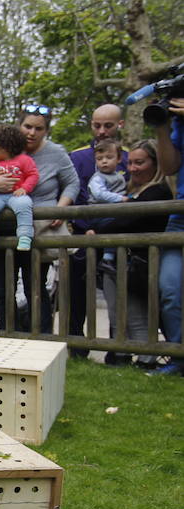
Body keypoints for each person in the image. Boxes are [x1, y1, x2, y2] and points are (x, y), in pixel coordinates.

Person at [0, 104, 78, 334]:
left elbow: (72, 183)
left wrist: (61, 209)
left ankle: (40, 338)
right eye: (28, 126)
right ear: (19, 126)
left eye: (38, 128)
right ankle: (4, 335)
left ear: (46, 131)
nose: (32, 132)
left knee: (36, 287)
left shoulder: (56, 153)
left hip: (38, 228)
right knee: (2, 289)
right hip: (3, 228)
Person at [88, 139, 171, 368]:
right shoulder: (125, 188)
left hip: (140, 263)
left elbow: (127, 221)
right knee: (116, 313)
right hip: (117, 261)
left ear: (156, 163)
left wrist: (100, 228)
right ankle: (121, 357)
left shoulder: (158, 191)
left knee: (136, 314)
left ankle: (146, 360)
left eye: (140, 162)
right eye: (131, 163)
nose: (133, 168)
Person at [68, 104, 128, 357]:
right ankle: (77, 343)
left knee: (118, 290)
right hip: (83, 233)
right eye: (97, 125)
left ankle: (118, 347)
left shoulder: (129, 157)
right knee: (77, 290)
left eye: (108, 125)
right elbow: (72, 192)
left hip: (120, 234)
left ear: (120, 125)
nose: (102, 131)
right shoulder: (77, 157)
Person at [152, 97, 184, 376]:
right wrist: (162, 128)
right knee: (170, 290)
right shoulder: (179, 123)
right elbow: (170, 167)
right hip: (179, 215)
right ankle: (177, 357)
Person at [0, 124, 39, 254]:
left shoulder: (24, 160)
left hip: (16, 194)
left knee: (25, 206)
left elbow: (33, 175)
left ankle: (25, 236)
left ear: (4, 148)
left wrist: (25, 188)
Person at [87, 139, 128, 270]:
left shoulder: (118, 176)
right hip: (100, 213)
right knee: (113, 227)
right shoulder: (97, 178)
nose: (104, 161)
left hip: (114, 212)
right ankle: (107, 258)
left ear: (119, 158)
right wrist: (121, 199)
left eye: (109, 157)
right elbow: (99, 194)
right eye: (99, 159)